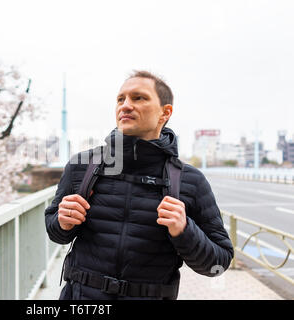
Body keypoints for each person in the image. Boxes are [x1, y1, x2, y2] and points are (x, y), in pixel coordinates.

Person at [44, 70, 234, 300]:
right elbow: (56, 233)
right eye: (120, 99)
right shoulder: (82, 166)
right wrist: (62, 222)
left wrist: (185, 231)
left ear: (165, 112)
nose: (125, 105)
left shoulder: (190, 180)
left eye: (138, 98)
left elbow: (219, 262)